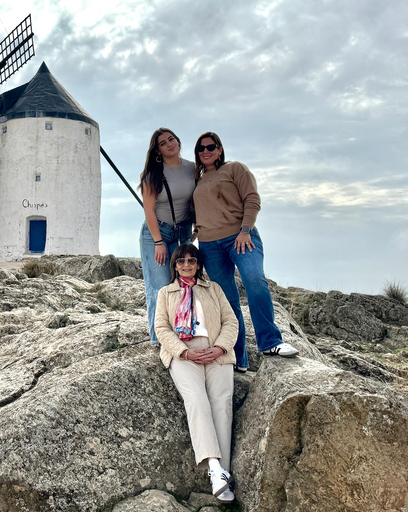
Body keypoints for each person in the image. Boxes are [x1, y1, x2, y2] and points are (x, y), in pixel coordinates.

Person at [191, 131, 298, 371]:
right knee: (228, 301)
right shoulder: (197, 180)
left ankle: (271, 342)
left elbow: (252, 199)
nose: (206, 151)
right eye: (201, 148)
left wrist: (246, 229)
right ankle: (238, 357)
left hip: (241, 238)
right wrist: (195, 228)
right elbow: (197, 208)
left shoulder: (235, 169)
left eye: (211, 146)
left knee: (254, 281)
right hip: (209, 245)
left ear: (219, 149)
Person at [154, 244, 239, 503]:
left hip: (216, 351)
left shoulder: (213, 289)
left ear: (198, 264)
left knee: (221, 404)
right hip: (184, 354)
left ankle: (223, 474)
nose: (187, 265)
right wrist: (184, 352)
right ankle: (214, 468)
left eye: (192, 260)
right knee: (197, 401)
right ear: (175, 265)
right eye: (181, 261)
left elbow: (231, 321)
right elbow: (161, 327)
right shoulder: (166, 293)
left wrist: (220, 348)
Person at [139, 128, 196, 345]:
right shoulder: (152, 175)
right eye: (163, 143)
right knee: (160, 287)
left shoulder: (192, 169)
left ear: (178, 141)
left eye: (171, 139)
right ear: (158, 151)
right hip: (157, 233)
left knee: (185, 283)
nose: (169, 144)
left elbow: (199, 198)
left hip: (183, 233)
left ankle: (184, 332)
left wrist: (198, 227)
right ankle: (159, 340)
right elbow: (149, 211)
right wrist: (158, 242)